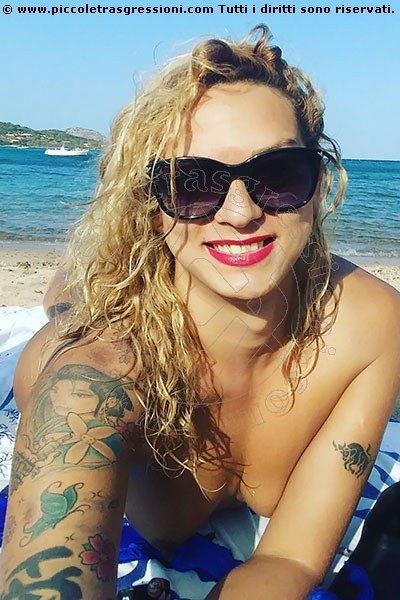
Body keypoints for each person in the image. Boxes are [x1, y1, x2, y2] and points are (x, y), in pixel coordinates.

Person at [1, 24, 399, 599]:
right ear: (151, 206)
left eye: (278, 174)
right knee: (71, 301)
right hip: (100, 319)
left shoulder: (371, 325)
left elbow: (289, 559)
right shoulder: (88, 380)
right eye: (192, 183)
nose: (240, 213)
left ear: (317, 181)